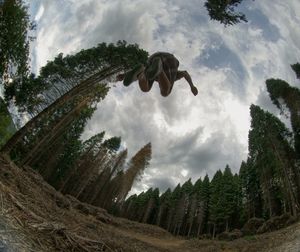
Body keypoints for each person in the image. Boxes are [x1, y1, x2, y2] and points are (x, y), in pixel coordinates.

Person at [116, 52, 198, 97]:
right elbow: (185, 73)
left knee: (145, 88)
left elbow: (185, 74)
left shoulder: (152, 72)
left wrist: (124, 75)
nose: (160, 84)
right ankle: (160, 69)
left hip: (152, 59)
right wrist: (192, 86)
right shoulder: (174, 75)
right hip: (169, 59)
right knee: (165, 92)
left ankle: (142, 74)